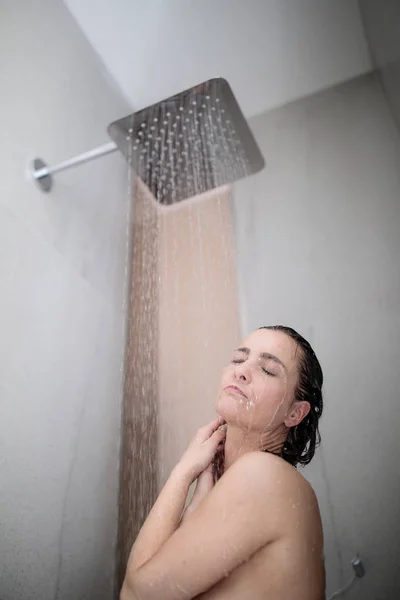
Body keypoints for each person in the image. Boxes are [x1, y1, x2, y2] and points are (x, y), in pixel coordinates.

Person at [121, 325, 325, 600]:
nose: (240, 371)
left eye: (267, 369)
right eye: (239, 359)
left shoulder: (265, 477)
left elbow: (135, 595)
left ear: (295, 412)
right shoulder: (237, 485)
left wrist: (182, 473)